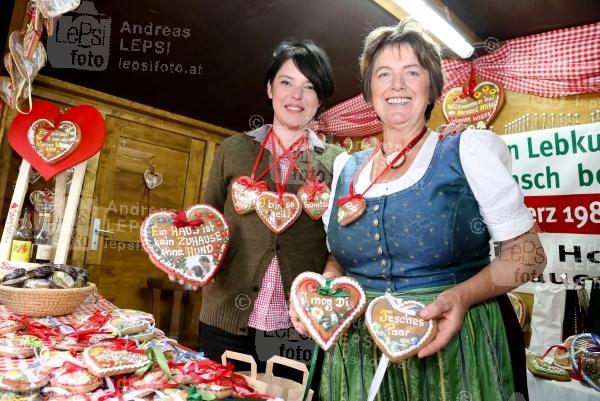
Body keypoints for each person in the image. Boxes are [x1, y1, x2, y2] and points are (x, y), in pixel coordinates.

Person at [290, 19, 546, 401]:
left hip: (454, 347)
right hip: (356, 352)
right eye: (384, 74)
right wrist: (326, 291)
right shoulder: (346, 167)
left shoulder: (467, 150)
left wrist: (462, 296)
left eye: (412, 72)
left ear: (431, 88)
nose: (397, 85)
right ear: (369, 91)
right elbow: (340, 258)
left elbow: (529, 255)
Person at [199, 39, 342, 378]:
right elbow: (207, 221)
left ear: (319, 99)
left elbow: (341, 239)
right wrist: (192, 264)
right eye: (286, 82)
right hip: (226, 314)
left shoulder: (337, 163)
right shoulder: (234, 149)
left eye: (309, 87)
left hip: (298, 325)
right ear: (269, 88)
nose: (297, 95)